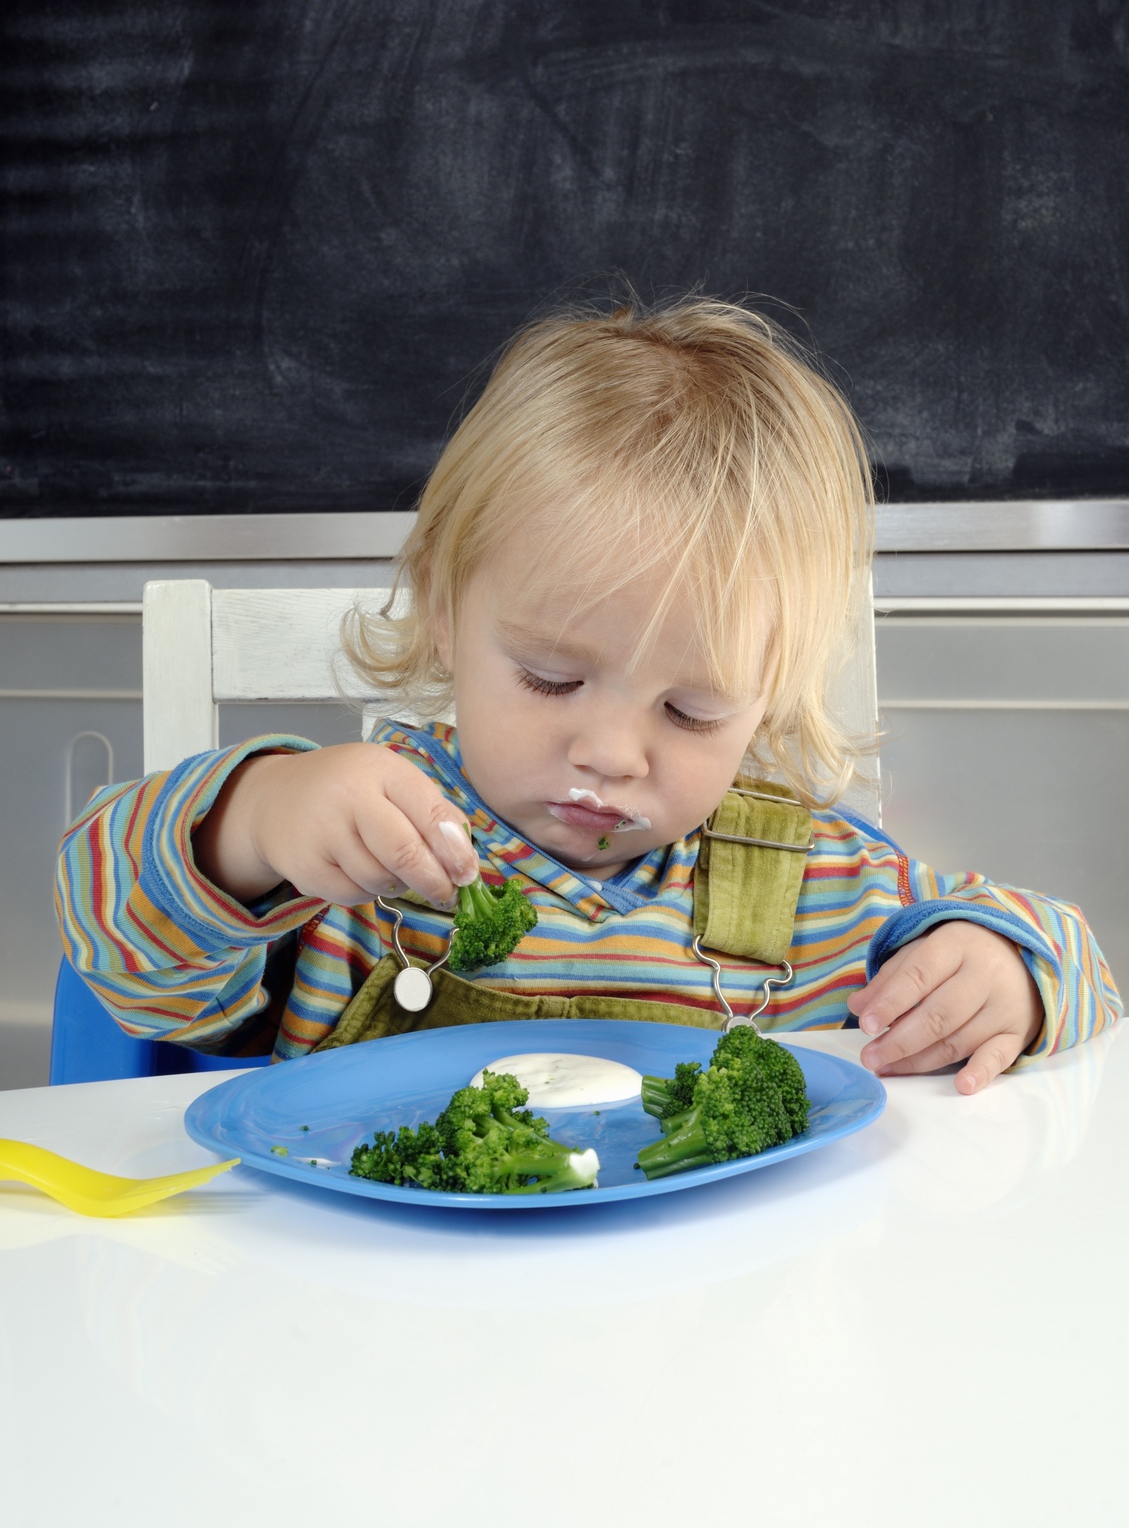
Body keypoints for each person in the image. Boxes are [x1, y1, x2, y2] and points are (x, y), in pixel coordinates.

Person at [56, 300, 1119, 1090]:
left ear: (767, 696)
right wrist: (253, 822)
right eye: (552, 677)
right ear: (440, 606)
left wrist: (1007, 974)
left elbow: (1081, 965)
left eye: (691, 711)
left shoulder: (820, 888)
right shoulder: (351, 852)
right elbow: (113, 942)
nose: (613, 751)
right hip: (376, 1352)